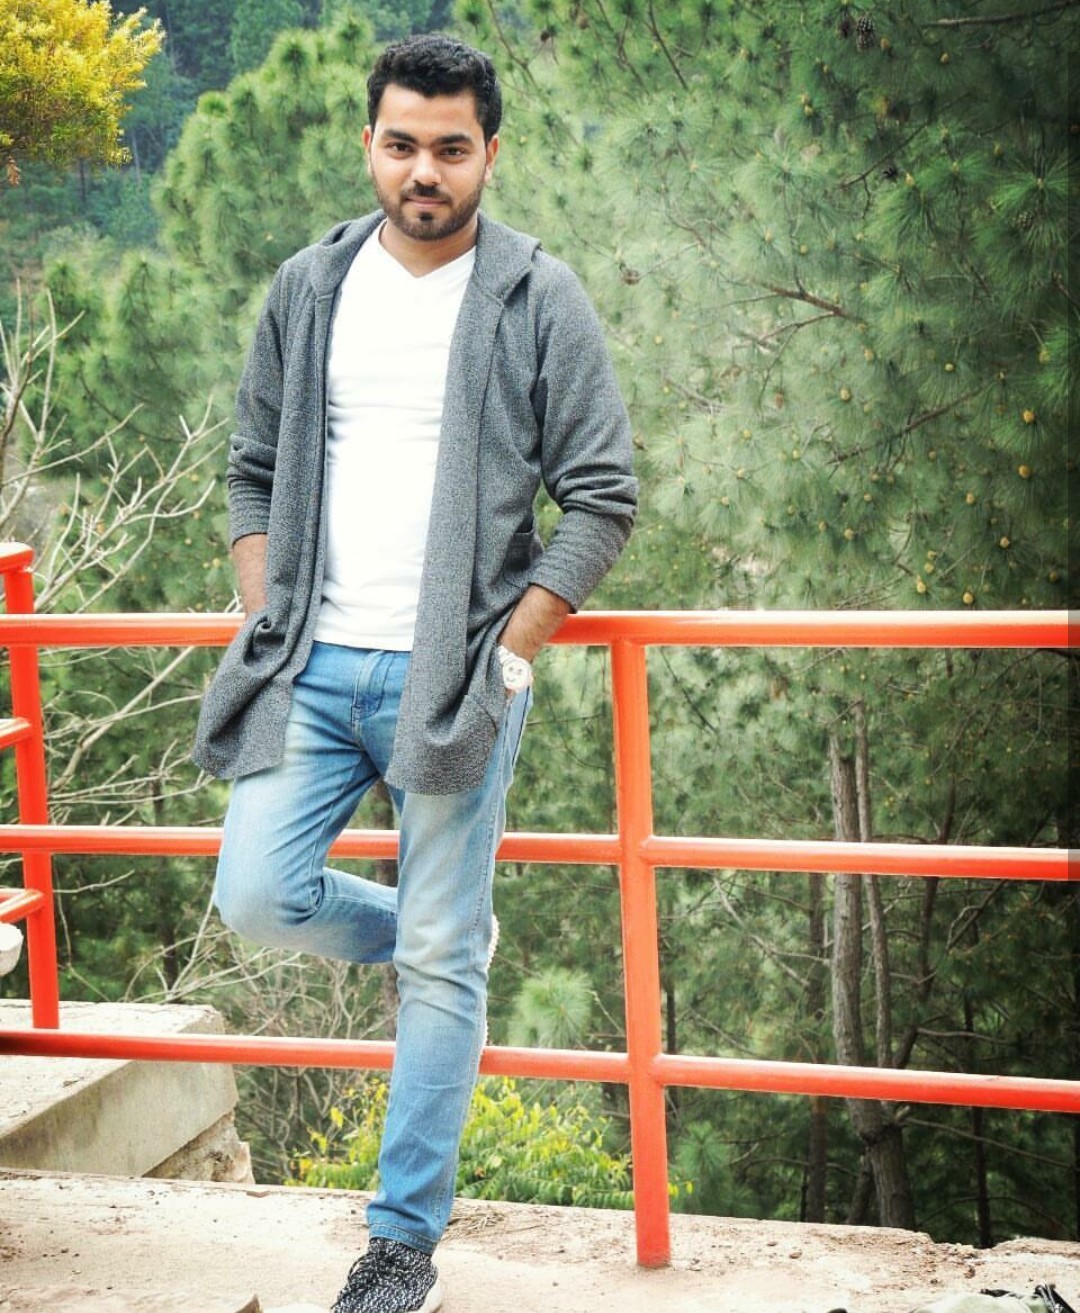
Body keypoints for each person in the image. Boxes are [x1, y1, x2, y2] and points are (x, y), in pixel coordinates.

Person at [192, 32, 637, 1313]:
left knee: (439, 962)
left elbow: (603, 496)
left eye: (451, 148)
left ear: (490, 152)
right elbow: (251, 470)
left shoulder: (538, 296)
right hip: (310, 663)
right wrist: (267, 611)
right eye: (402, 145)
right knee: (259, 893)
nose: (424, 171)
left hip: (455, 677)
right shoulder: (311, 284)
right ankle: (445, 941)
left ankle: (400, 1246)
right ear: (369, 145)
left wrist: (510, 648)